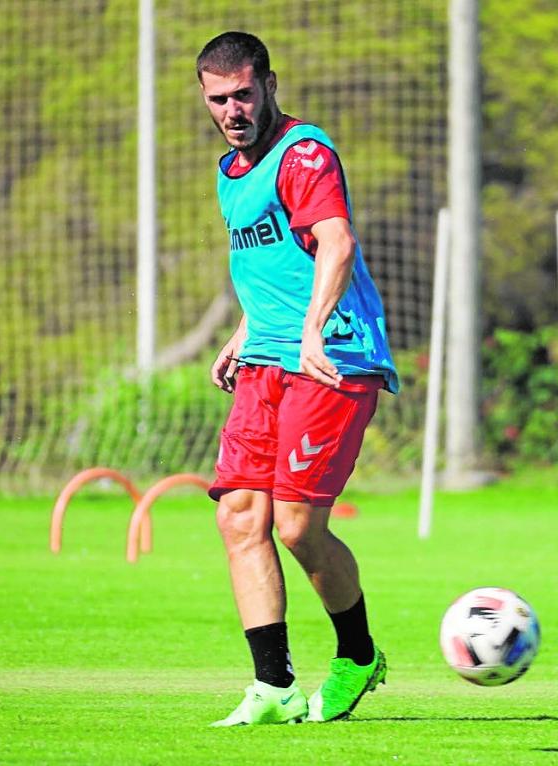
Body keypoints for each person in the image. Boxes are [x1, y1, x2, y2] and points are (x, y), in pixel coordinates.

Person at [195, 31, 399, 726]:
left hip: (332, 356)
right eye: (219, 98)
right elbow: (279, 267)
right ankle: (274, 687)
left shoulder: (303, 153)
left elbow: (335, 243)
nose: (232, 109)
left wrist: (309, 332)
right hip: (266, 361)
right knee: (237, 515)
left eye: (243, 94)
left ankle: (358, 655)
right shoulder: (230, 170)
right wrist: (244, 332)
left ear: (270, 85)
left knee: (296, 525)